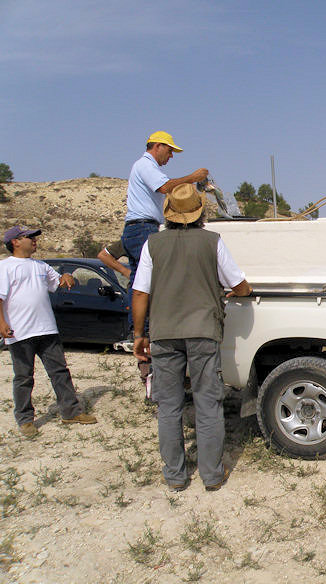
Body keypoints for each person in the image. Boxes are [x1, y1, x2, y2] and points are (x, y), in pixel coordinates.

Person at [132, 184, 252, 492]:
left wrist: (138, 334)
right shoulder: (212, 241)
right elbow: (239, 285)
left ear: (168, 214)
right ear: (199, 213)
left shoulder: (152, 244)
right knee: (207, 403)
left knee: (169, 406)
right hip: (203, 332)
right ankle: (211, 476)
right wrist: (240, 292)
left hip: (164, 333)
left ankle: (175, 475)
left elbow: (140, 292)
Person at [0, 226, 98, 437]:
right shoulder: (5, 267)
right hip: (20, 332)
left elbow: (59, 282)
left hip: (46, 329)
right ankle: (25, 420)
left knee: (60, 372)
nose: (35, 240)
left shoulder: (40, 266)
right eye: (29, 237)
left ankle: (70, 412)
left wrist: (67, 276)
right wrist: (1, 323)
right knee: (24, 377)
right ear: (15, 242)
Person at [121, 131, 208, 331]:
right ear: (157, 146)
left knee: (139, 281)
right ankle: (147, 327)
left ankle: (138, 329)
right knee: (152, 279)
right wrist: (193, 178)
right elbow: (165, 187)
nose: (170, 156)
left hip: (138, 228)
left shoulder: (144, 167)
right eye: (169, 151)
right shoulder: (145, 165)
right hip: (143, 227)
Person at [97, 240, 153, 400]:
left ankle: (153, 389)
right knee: (145, 344)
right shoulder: (136, 236)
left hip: (143, 297)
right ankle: (151, 389)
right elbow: (104, 255)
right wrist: (126, 272)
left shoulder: (137, 235)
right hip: (144, 297)